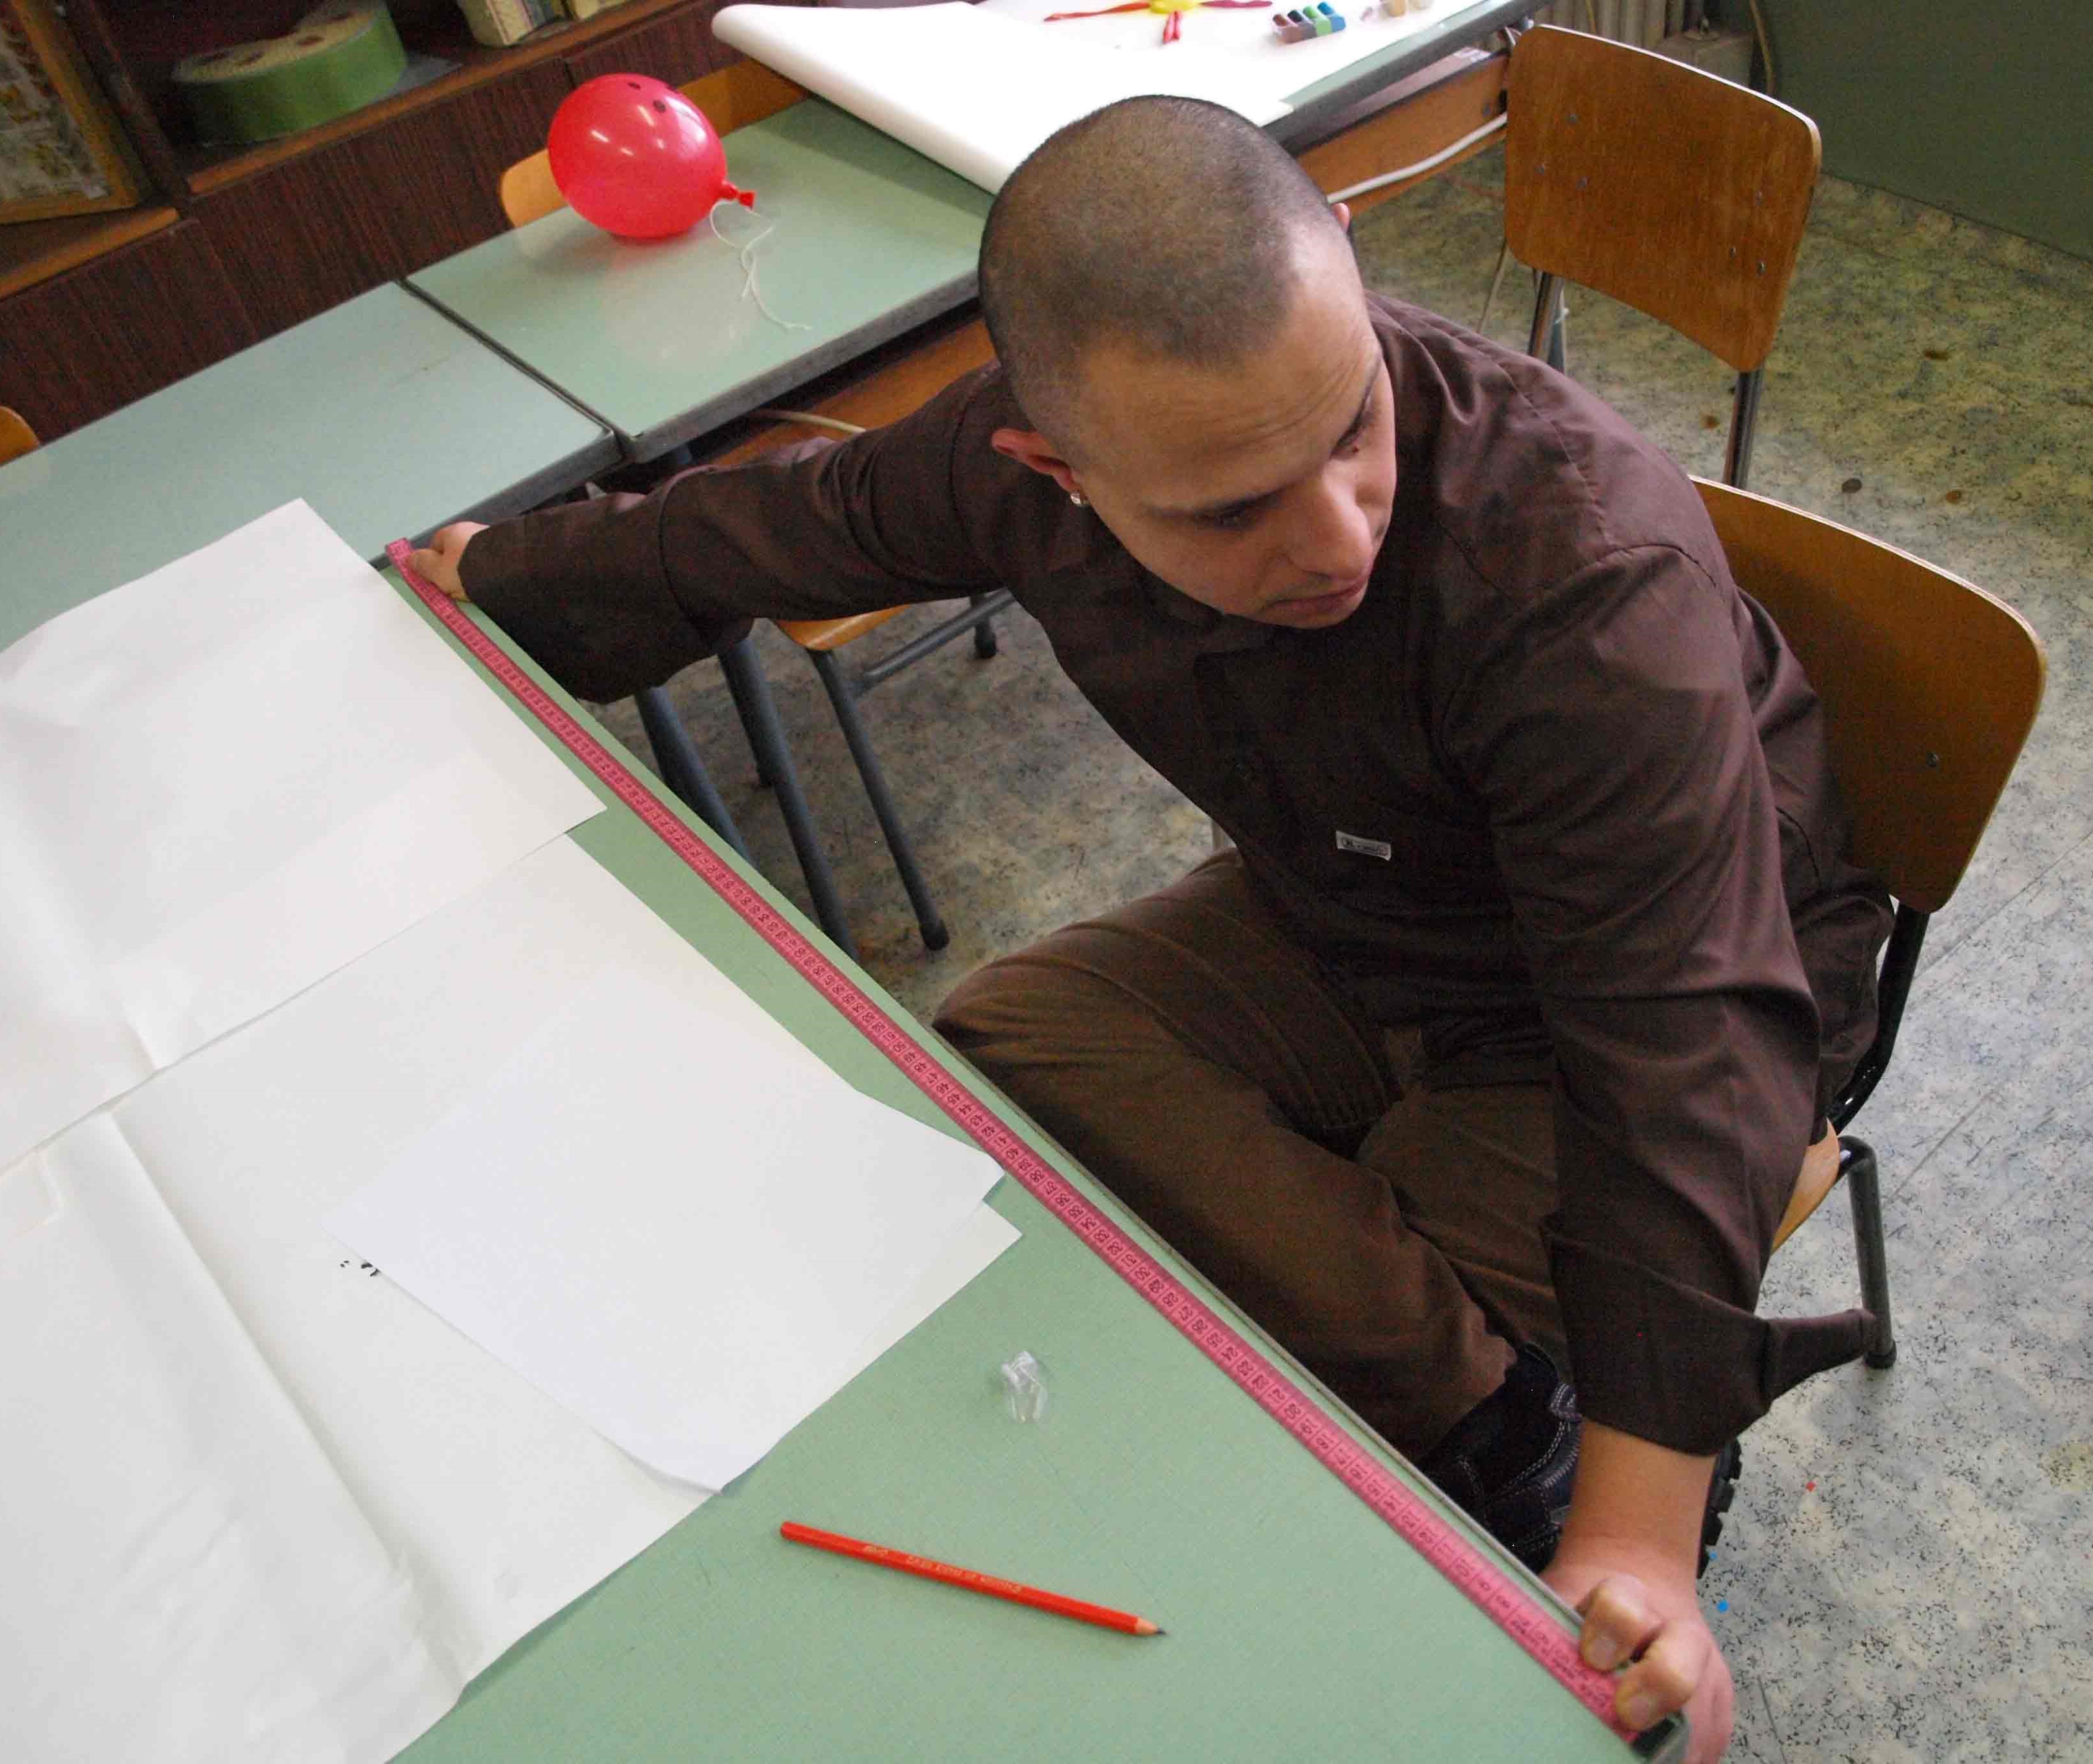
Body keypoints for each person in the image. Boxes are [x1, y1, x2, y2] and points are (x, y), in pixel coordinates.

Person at [413, 94, 1891, 1759]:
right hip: (1353, 901)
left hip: (1644, 984)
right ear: (1053, 471)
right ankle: (1457, 1370)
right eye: (1229, 509)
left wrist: (1635, 1532)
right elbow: (788, 522)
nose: (1337, 531)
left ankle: (1520, 1434)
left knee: (1282, 1359)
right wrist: (506, 577)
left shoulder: (1579, 568)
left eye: (1351, 427)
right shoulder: (1013, 468)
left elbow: (1676, 1044)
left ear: (1345, 268)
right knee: (991, 1053)